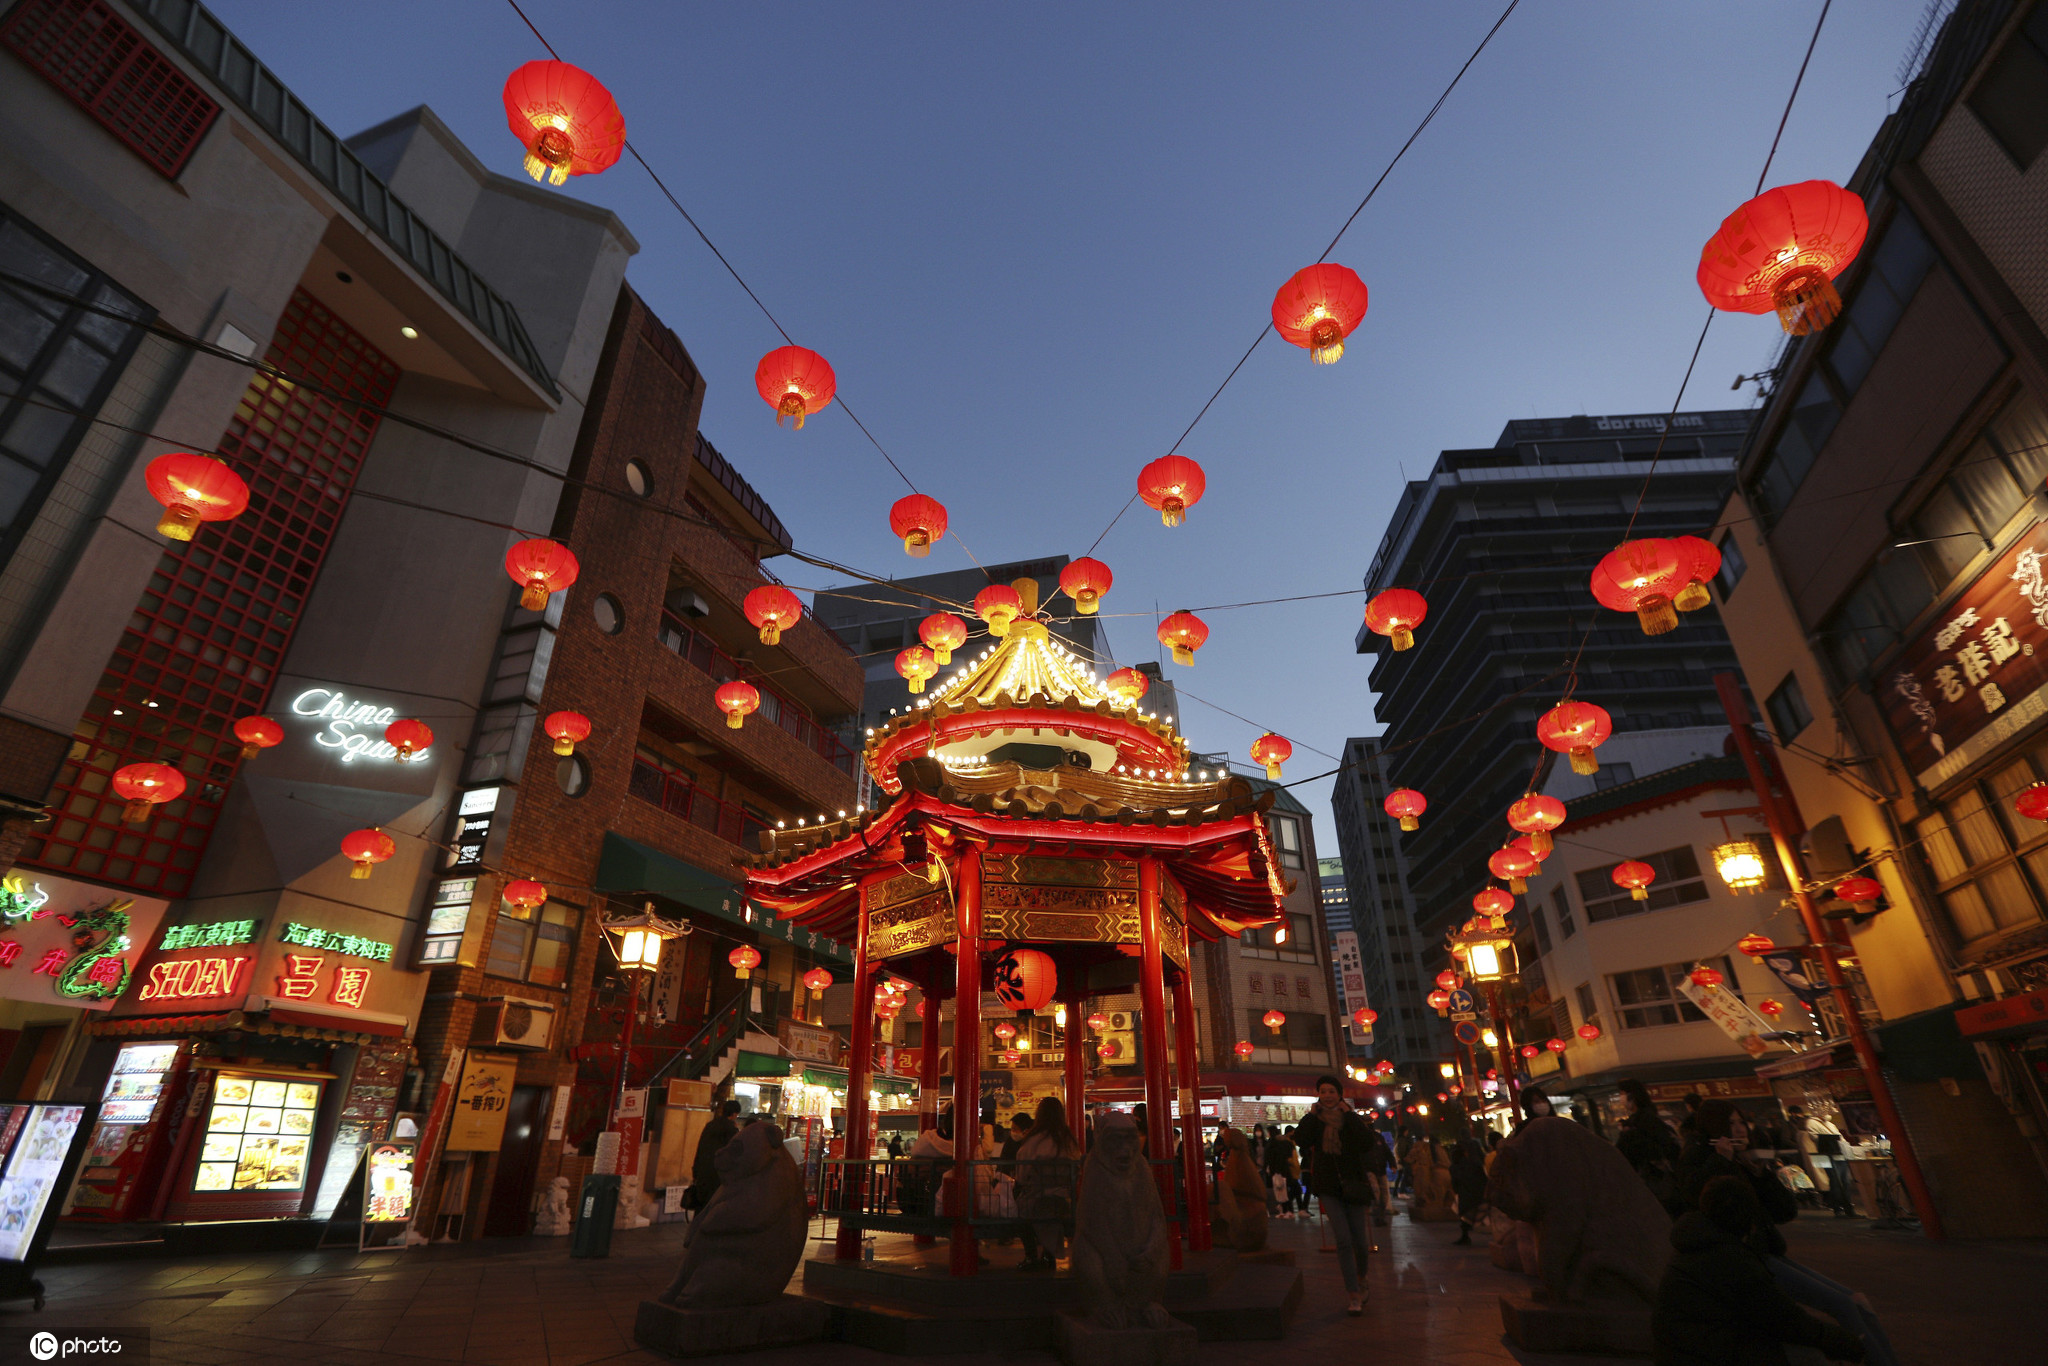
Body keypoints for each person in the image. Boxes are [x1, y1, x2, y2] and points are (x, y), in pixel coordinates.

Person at [1677, 1101, 1899, 1366]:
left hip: (1766, 1251)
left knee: (1856, 1301)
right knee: (1843, 1304)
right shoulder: (1700, 1158)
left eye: (1740, 1122)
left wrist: (1761, 1175)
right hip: (1747, 1259)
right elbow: (1710, 1205)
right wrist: (1722, 1162)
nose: (1739, 1129)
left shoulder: (1742, 1159)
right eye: (1731, 1123)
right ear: (1715, 1126)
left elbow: (1783, 1212)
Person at [1653, 1174, 1867, 1365]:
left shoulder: (1700, 1244)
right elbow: (1785, 1319)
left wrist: (1761, 1174)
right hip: (1707, 1352)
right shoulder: (1730, 1259)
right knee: (1808, 1356)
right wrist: (1846, 1344)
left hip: (1689, 1348)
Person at [1293, 1076, 1378, 1315]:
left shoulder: (1351, 1118)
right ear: (1318, 1094)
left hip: (1354, 1184)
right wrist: (1311, 1115)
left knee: (1360, 1242)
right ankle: (1353, 1294)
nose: (1327, 1095)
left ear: (1339, 1094)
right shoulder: (1314, 1120)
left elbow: (1366, 1143)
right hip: (1329, 1186)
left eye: (1332, 1091)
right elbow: (1301, 1140)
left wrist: (1350, 1115)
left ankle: (1362, 1278)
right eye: (1323, 1091)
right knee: (1343, 1239)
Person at [1014, 1096, 1082, 1271]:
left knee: (1019, 1212)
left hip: (1035, 1199)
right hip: (1064, 1200)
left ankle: (1030, 1256)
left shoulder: (1032, 1141)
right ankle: (1048, 1254)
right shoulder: (1069, 1140)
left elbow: (1021, 1177)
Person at [1615, 1078, 1684, 1216]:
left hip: (1652, 1180)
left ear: (1631, 1095)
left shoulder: (1644, 1120)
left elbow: (1659, 1146)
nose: (1620, 1098)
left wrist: (1629, 1135)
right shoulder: (1641, 1118)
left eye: (1622, 1093)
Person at [690, 1098, 741, 1206]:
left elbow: (700, 1148)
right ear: (734, 1114)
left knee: (701, 1209)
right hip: (718, 1177)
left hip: (703, 1173)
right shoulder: (731, 1130)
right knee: (714, 1209)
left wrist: (695, 1172)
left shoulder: (710, 1125)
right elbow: (734, 1154)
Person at [1449, 1140, 1488, 1246]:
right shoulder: (1475, 1164)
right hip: (1478, 1194)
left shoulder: (1454, 1167)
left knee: (1464, 1215)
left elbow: (1455, 1183)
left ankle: (1465, 1235)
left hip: (1465, 1194)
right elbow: (1484, 1179)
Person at [1263, 1123, 1297, 1217]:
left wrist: (1268, 1167)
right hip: (1285, 1168)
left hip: (1277, 1170)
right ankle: (1288, 1210)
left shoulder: (1272, 1143)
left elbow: (1268, 1157)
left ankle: (1285, 1210)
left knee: (1280, 1190)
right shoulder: (1284, 1142)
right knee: (1285, 1189)